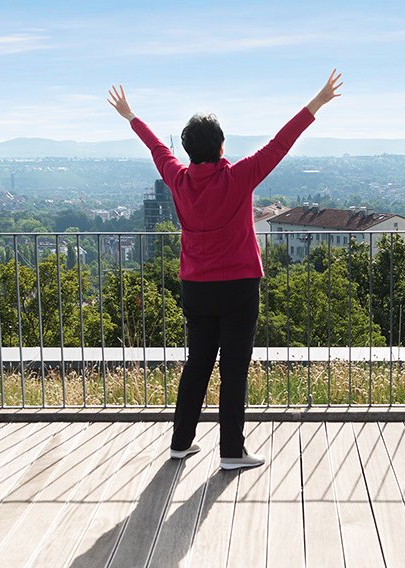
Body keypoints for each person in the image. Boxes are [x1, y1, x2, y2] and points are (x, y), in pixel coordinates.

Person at [108, 70, 343, 470]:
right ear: (221, 147)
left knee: (198, 363)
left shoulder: (178, 179)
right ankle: (232, 452)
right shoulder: (238, 177)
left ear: (188, 150)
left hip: (195, 287)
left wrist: (131, 116)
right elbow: (280, 143)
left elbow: (155, 148)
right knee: (234, 369)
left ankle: (180, 443)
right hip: (238, 286)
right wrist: (317, 102)